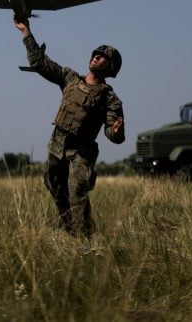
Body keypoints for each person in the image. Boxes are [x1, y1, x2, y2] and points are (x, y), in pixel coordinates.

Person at [14, 16, 125, 236]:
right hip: (57, 146)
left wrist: (115, 131)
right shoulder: (70, 78)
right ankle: (70, 233)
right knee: (56, 189)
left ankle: (85, 241)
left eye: (103, 57)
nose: (96, 57)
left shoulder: (110, 99)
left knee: (77, 191)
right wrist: (26, 32)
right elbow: (40, 63)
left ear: (110, 67)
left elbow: (114, 134)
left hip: (81, 153)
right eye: (96, 54)